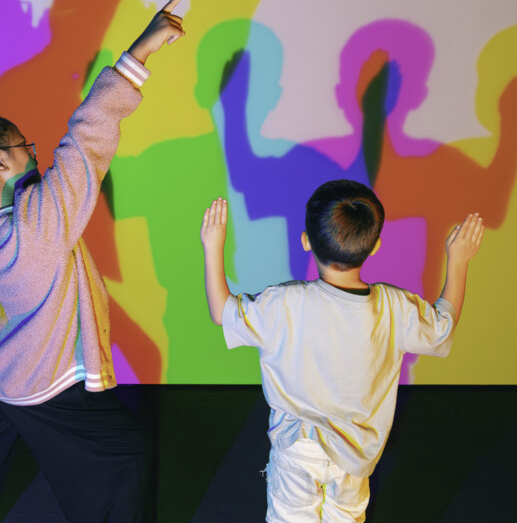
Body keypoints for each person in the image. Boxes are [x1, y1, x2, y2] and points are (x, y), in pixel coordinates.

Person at [0, 0, 186, 521]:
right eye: (23, 146)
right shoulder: (40, 220)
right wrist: (143, 47)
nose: (34, 150)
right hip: (44, 385)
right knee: (126, 455)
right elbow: (91, 130)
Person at [199, 180, 484, 521]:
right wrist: (458, 261)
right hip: (355, 456)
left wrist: (213, 246)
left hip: (297, 447)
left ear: (306, 241)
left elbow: (223, 313)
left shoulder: (283, 302)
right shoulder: (395, 307)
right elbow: (442, 328)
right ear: (375, 246)